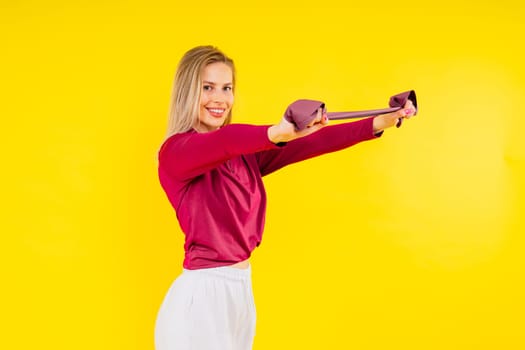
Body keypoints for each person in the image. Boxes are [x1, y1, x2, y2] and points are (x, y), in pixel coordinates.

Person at [154, 45, 416, 350]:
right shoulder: (176, 152)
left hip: (239, 293)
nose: (220, 98)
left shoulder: (244, 158)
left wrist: (379, 121)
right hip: (200, 301)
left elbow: (313, 143)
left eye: (227, 88)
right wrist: (277, 131)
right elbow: (226, 140)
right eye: (207, 87)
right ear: (188, 92)